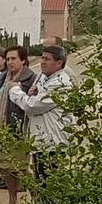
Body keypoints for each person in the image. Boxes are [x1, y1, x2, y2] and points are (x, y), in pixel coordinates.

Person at [9, 45, 75, 185]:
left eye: (47, 59)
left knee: (49, 184)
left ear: (59, 63)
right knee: (40, 182)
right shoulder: (46, 79)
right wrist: (36, 91)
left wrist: (15, 91)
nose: (42, 62)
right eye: (42, 58)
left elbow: (32, 106)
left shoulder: (60, 84)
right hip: (43, 142)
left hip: (53, 144)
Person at [0, 45, 38, 204]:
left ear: (23, 60)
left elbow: (30, 104)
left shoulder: (31, 79)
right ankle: (12, 201)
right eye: (7, 59)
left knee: (21, 168)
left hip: (17, 130)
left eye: (14, 58)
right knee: (6, 168)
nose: (10, 62)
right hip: (0, 128)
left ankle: (37, 199)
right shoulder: (2, 78)